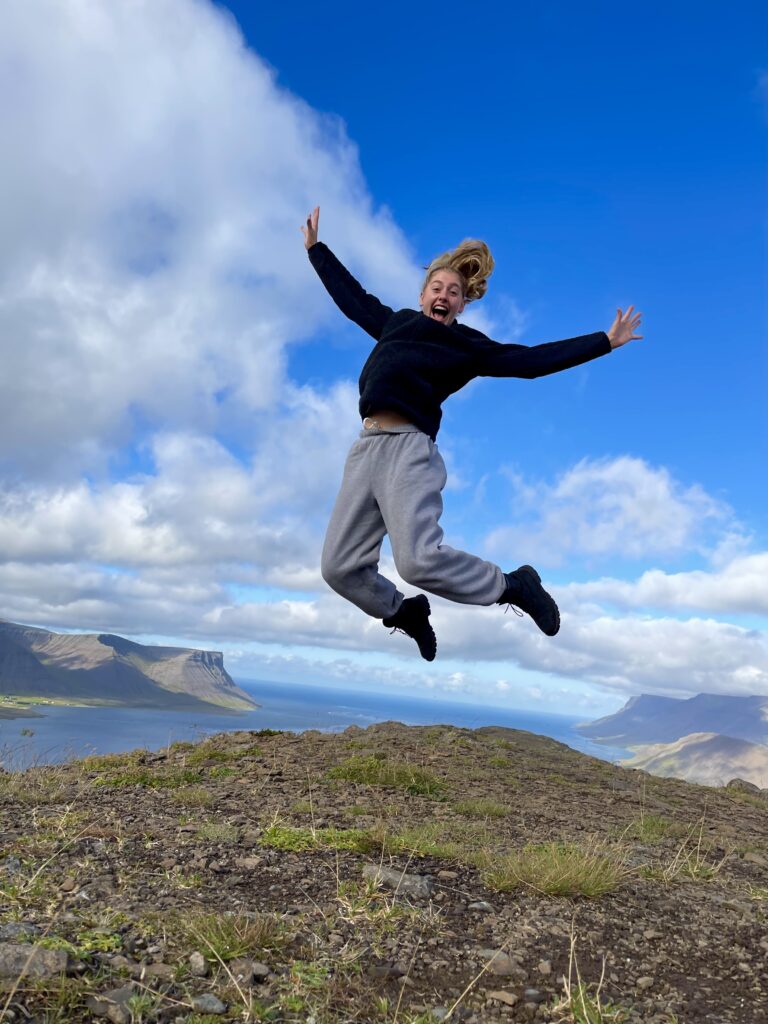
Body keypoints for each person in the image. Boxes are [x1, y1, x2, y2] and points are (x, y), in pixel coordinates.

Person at [301, 206, 642, 661]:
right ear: (423, 295)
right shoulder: (396, 323)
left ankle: (513, 585)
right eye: (437, 288)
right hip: (365, 449)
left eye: (454, 292)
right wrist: (316, 250)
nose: (444, 295)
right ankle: (404, 613)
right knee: (338, 567)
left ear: (463, 304)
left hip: (408, 450)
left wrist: (603, 341)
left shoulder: (465, 346)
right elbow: (352, 298)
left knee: (418, 560)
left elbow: (529, 361)